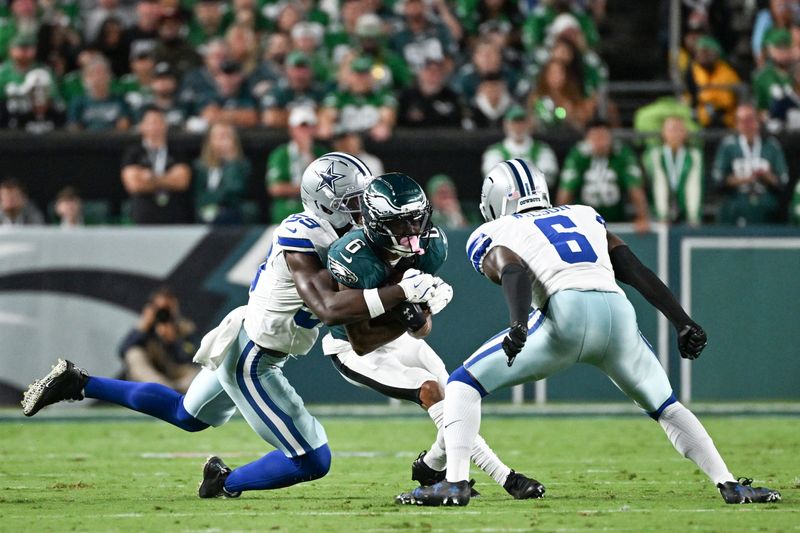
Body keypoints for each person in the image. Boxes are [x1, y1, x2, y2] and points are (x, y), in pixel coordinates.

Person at [22, 152, 441, 500]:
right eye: (354, 203)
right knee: (313, 459)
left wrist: (410, 317)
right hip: (253, 357)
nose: (362, 212)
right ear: (327, 203)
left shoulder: (358, 242)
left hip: (250, 338)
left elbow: (360, 336)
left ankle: (79, 382)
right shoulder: (303, 232)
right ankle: (224, 482)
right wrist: (401, 294)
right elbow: (329, 308)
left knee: (185, 415)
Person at [397, 158, 782, 506]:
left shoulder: (497, 229)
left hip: (565, 313)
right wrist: (681, 319)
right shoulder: (584, 214)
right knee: (667, 407)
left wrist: (517, 324)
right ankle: (729, 483)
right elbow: (632, 268)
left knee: (464, 384)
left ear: (497, 199)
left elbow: (511, 269)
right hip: (617, 314)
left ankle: (456, 483)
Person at [324, 173, 544, 500]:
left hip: (397, 338)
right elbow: (363, 341)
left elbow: (419, 329)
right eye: (401, 224)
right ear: (376, 224)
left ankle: (431, 466)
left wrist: (427, 311)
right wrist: (401, 294)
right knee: (432, 391)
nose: (413, 232)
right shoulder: (354, 256)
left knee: (457, 394)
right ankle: (506, 478)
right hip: (353, 349)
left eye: (416, 220)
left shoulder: (431, 246)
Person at [557, 118, 650, 232]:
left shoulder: (622, 154)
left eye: (603, 137)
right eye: (595, 138)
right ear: (587, 139)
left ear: (611, 138)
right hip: (584, 224)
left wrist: (642, 216)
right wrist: (560, 220)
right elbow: (566, 190)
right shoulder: (578, 155)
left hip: (617, 221)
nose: (599, 142)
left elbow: (635, 188)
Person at [712, 103, 788, 226]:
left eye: (750, 120)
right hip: (736, 201)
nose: (747, 125)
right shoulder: (728, 146)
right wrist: (743, 179)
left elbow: (783, 181)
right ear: (737, 124)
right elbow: (718, 181)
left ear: (758, 121)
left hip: (766, 202)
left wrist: (767, 177)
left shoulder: (771, 146)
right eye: (742, 121)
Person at [121, 105, 192, 224]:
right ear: (142, 126)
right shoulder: (134, 153)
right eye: (151, 122)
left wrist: (150, 178)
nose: (155, 126)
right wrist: (169, 178)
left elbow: (182, 181)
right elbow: (134, 185)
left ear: (166, 125)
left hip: (174, 216)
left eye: (159, 122)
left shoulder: (177, 152)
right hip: (143, 216)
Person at [119, 287, 199, 393]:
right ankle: (163, 388)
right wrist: (143, 328)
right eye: (160, 308)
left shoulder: (184, 327)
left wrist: (173, 341)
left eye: (167, 308)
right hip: (150, 376)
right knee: (134, 354)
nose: (163, 313)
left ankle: (170, 390)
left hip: (175, 376)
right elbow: (123, 351)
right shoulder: (145, 327)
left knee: (199, 374)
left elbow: (191, 358)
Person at [265, 105, 327, 224]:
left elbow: (327, 186)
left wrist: (308, 155)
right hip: (287, 214)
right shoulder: (281, 154)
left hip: (318, 216)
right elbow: (275, 188)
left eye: (309, 126)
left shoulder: (322, 153)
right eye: (301, 127)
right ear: (292, 129)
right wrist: (307, 190)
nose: (306, 131)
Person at [641, 116, 704, 226]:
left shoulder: (694, 156)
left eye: (679, 130)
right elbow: (658, 184)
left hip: (686, 217)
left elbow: (694, 186)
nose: (675, 134)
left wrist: (694, 217)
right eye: (671, 129)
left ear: (685, 133)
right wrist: (662, 216)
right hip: (658, 217)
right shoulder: (655, 155)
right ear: (663, 133)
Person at [482, 104, 558, 187]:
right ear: (506, 125)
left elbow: (548, 178)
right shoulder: (494, 151)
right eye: (514, 123)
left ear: (529, 124)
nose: (518, 127)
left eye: (521, 123)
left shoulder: (543, 149)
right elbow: (493, 180)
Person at [193, 121, 252, 224]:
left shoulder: (242, 165)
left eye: (226, 136)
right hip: (206, 213)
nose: (222, 141)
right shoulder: (200, 166)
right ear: (210, 140)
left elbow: (235, 190)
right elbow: (199, 197)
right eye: (218, 136)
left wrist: (231, 162)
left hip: (233, 214)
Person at [684, 35, 740, 129]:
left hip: (724, 120)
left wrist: (707, 102)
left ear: (716, 53)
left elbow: (726, 102)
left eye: (706, 52)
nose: (702, 55)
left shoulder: (727, 73)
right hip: (698, 117)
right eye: (699, 52)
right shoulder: (692, 70)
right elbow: (687, 96)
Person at [397, 51, 464, 128]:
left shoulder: (452, 97)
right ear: (420, 73)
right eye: (429, 70)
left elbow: (457, 126)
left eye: (437, 71)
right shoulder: (406, 97)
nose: (433, 76)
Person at [67, 57, 130, 131]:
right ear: (85, 78)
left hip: (113, 140)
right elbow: (73, 126)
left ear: (109, 76)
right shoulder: (78, 102)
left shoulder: (119, 100)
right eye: (93, 74)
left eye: (102, 73)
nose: (98, 78)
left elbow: (124, 125)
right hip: (86, 140)